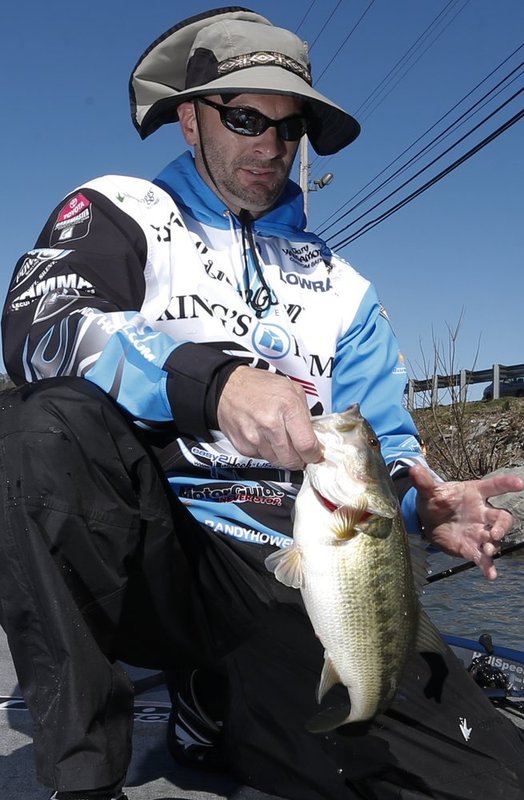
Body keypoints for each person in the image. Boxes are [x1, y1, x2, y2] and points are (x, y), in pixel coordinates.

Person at [0, 7, 523, 800]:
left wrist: (426, 505)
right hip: (154, 551)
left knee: (486, 782)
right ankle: (85, 779)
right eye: (246, 118)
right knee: (37, 429)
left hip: (298, 568)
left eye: (290, 127)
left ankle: (216, 699)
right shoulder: (121, 211)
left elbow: (385, 445)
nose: (271, 146)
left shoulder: (346, 291)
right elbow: (42, 329)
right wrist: (213, 384)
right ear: (190, 120)